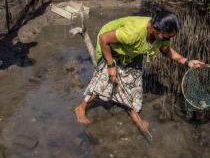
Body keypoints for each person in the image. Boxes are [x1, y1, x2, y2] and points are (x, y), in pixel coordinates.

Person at [75, 10, 204, 129]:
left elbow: (166, 51)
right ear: (154, 28)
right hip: (111, 47)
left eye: (169, 38)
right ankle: (81, 108)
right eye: (165, 37)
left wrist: (187, 62)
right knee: (105, 81)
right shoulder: (133, 33)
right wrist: (110, 65)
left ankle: (134, 114)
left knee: (134, 84)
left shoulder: (161, 36)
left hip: (133, 51)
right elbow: (104, 39)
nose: (167, 40)